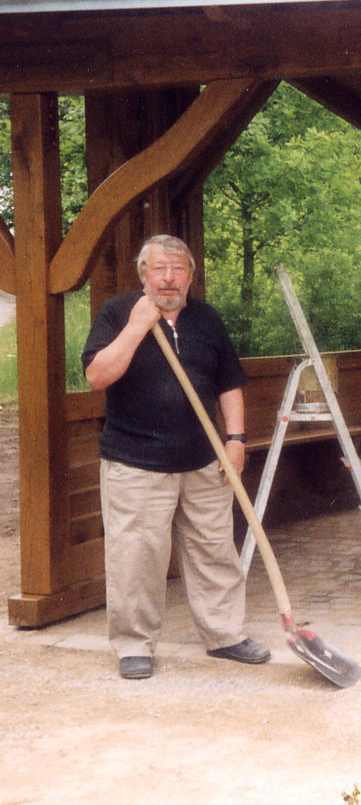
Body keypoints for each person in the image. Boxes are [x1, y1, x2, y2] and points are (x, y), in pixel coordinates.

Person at [82, 234, 269, 680]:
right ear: (142, 274)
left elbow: (229, 384)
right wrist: (136, 327)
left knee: (214, 551)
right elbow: (96, 376)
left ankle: (225, 635)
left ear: (191, 274)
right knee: (136, 557)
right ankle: (134, 644)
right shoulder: (117, 313)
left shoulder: (206, 319)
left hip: (203, 461)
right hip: (136, 462)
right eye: (158, 268)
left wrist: (236, 440)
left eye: (178, 269)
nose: (169, 278)